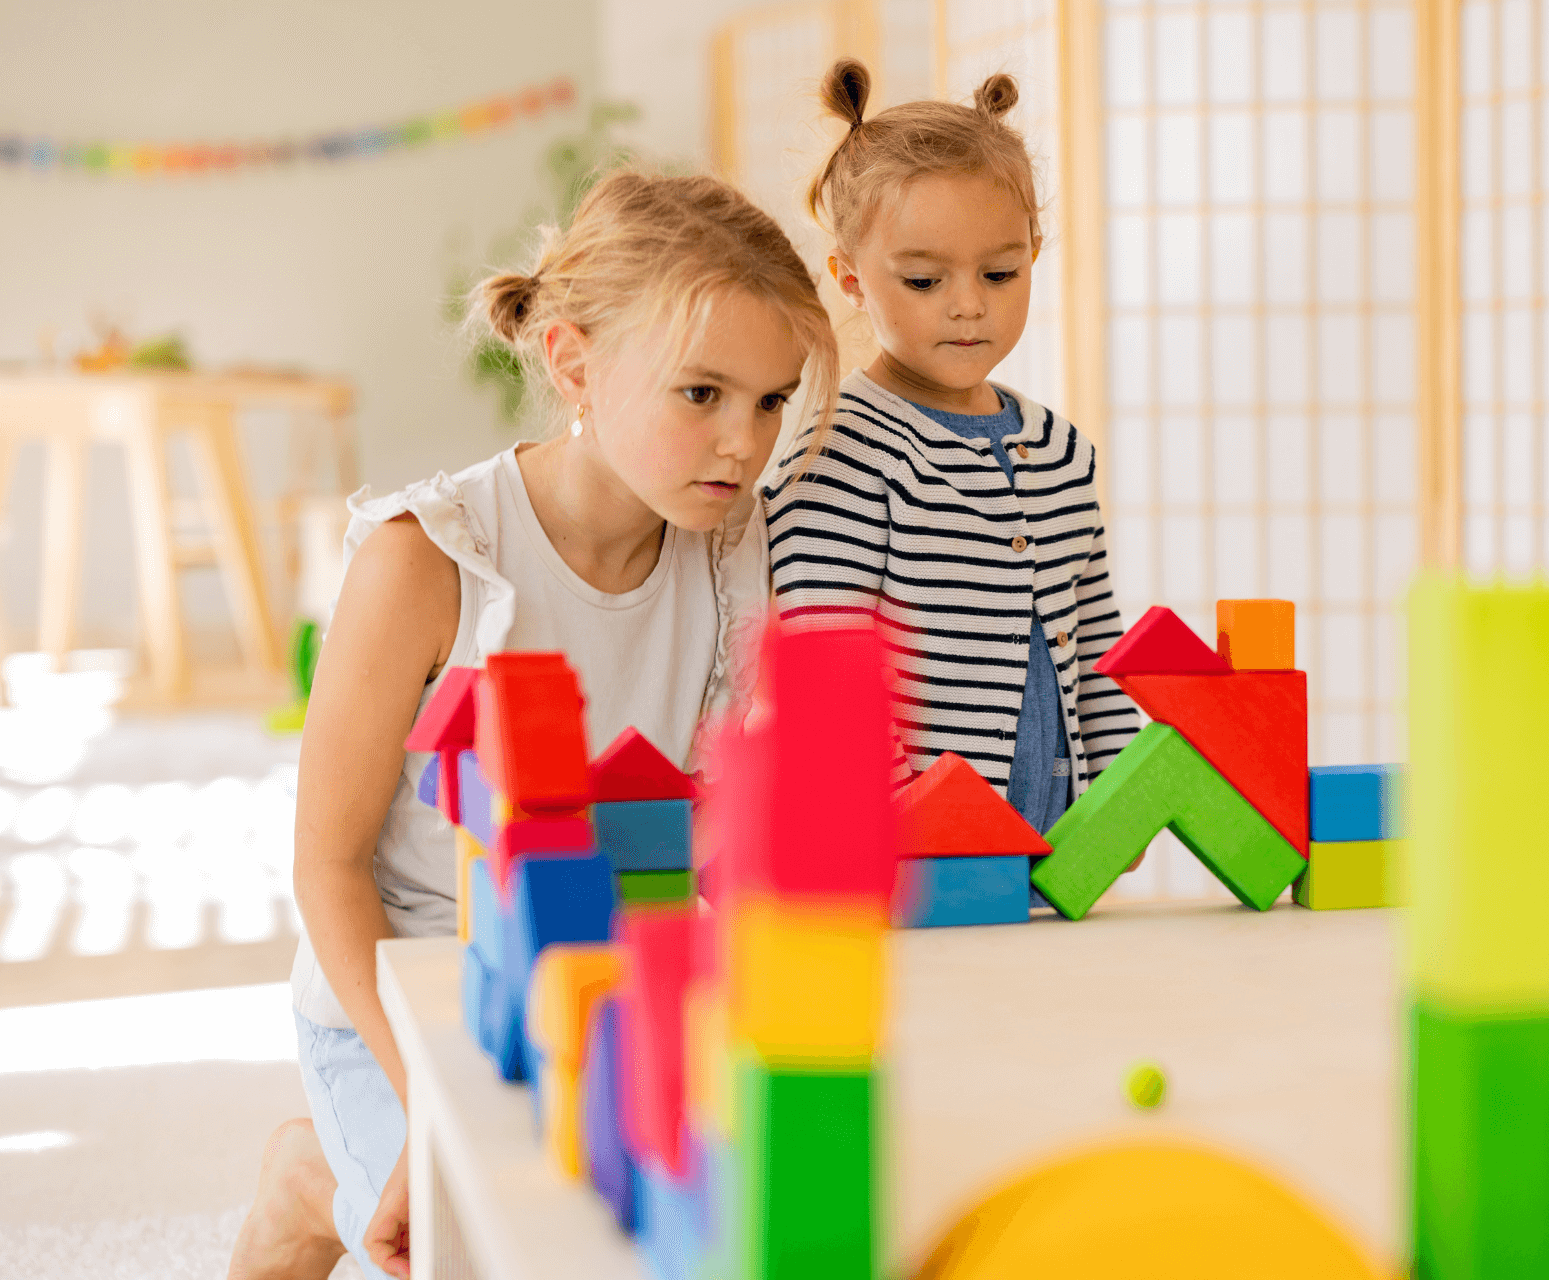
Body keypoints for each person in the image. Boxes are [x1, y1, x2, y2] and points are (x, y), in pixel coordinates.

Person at [227, 171, 836, 1280]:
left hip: (591, 976)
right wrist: (431, 1101)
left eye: (770, 401)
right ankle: (308, 1177)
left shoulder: (735, 546)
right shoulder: (425, 559)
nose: (743, 443)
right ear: (571, 363)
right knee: (468, 1244)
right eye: (701, 393)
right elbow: (325, 864)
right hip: (406, 988)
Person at [766, 59, 1138, 841]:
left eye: (1000, 272)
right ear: (852, 279)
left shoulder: (1064, 453)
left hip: (1059, 847)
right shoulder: (837, 453)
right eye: (926, 281)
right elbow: (824, 668)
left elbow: (1100, 647)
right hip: (917, 856)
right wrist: (914, 832)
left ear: (1035, 251)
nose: (969, 305)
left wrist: (1121, 806)